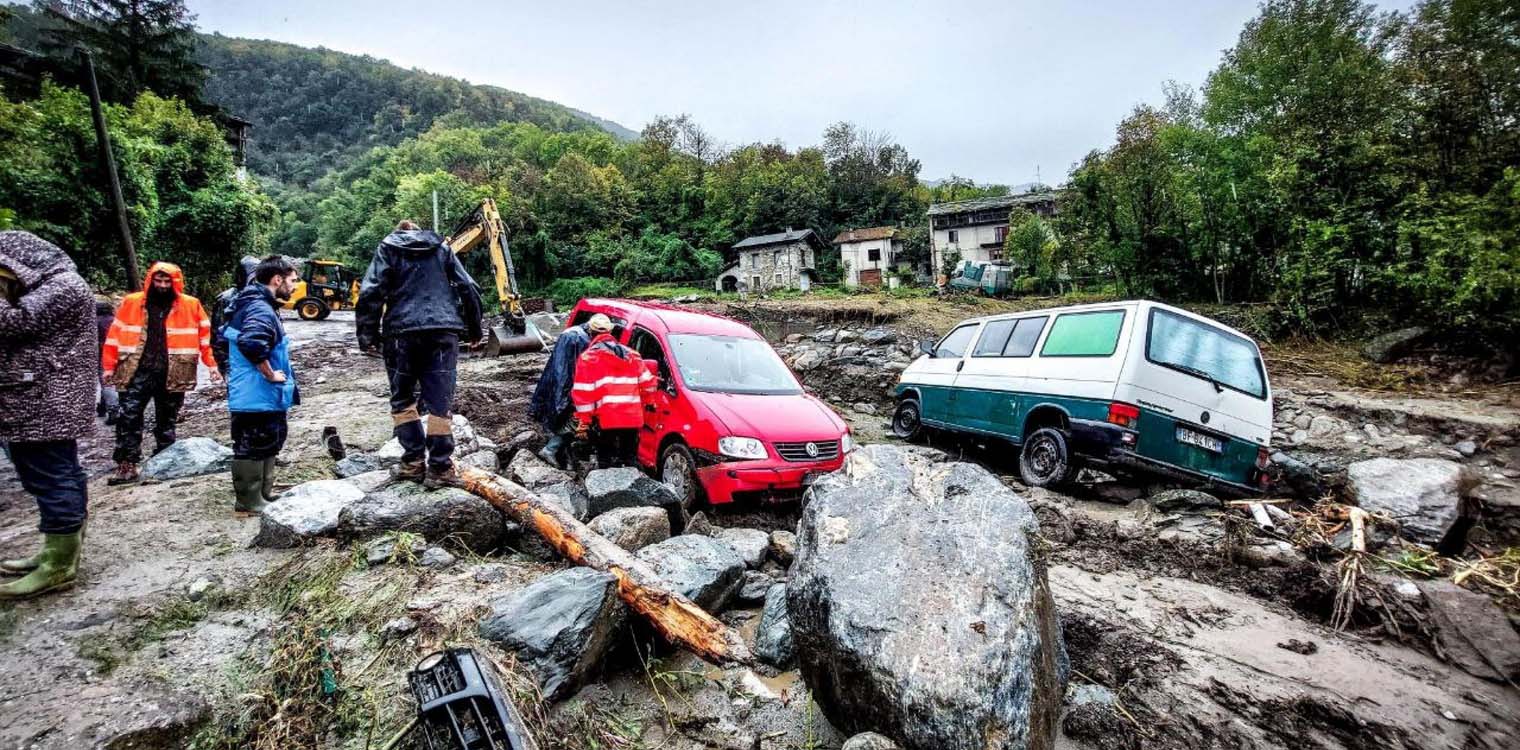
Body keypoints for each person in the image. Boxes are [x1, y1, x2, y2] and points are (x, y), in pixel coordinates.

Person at [0, 232, 95, 599]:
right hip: (41, 395)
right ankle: (56, 552)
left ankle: (59, 564)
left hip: (46, 398)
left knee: (53, 476)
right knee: (58, 473)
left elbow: (13, 323)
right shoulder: (55, 285)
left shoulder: (62, 287)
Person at [356, 219, 483, 487]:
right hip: (442, 331)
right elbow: (468, 287)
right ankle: (439, 467)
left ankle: (413, 462)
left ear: (398, 234)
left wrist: (367, 335)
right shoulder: (442, 249)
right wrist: (474, 330)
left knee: (403, 399)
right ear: (419, 233)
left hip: (401, 332)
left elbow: (371, 292)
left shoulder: (388, 249)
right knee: (439, 402)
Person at [102, 262, 220, 485]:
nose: (163, 286)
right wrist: (108, 367)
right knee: (128, 416)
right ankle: (127, 464)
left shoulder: (191, 305)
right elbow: (114, 337)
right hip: (136, 370)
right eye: (159, 281)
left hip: (174, 371)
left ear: (176, 283)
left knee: (167, 418)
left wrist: (212, 365)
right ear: (150, 281)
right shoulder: (132, 303)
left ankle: (166, 457)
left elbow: (206, 338)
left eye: (167, 282)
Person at [225, 256, 300, 515]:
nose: (294, 287)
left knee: (268, 439)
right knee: (252, 444)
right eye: (292, 281)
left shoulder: (260, 304)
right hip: (254, 393)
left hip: (260, 394)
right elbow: (252, 343)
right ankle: (248, 501)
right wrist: (269, 374)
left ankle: (263, 493)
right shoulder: (259, 307)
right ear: (277, 279)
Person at [571, 313, 657, 469]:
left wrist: (584, 422)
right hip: (632, 417)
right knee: (630, 458)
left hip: (606, 419)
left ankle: (607, 490)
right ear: (610, 332)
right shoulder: (632, 355)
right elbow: (648, 383)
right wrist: (649, 403)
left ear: (590, 333)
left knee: (605, 460)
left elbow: (584, 395)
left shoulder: (588, 358)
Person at [527, 317, 593, 468]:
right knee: (572, 422)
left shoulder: (572, 335)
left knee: (567, 421)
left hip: (562, 388)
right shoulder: (579, 340)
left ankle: (565, 457)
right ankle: (551, 450)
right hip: (571, 390)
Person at [211, 256, 261, 378]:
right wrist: (224, 364)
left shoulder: (262, 296)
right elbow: (218, 336)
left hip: (257, 359)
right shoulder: (226, 299)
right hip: (234, 360)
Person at [95, 299, 119, 424]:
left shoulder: (94, 322)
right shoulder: (116, 320)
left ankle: (113, 409)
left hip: (103, 353)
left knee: (106, 381)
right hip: (120, 352)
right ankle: (102, 407)